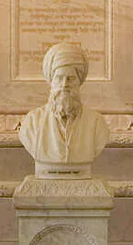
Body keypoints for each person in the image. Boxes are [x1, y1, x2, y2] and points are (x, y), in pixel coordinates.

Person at [19, 43, 111, 173]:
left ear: (79, 82)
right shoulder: (32, 122)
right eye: (59, 78)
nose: (64, 85)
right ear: (51, 81)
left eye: (71, 78)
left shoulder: (96, 122)